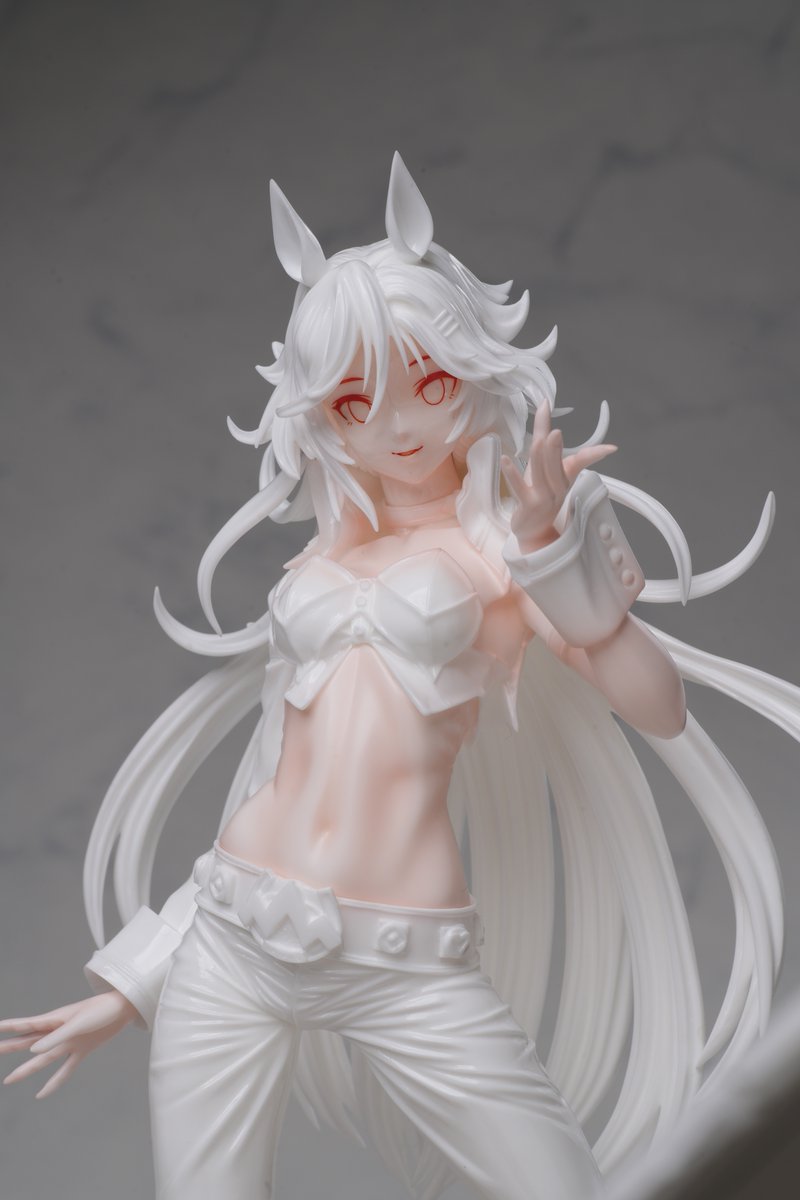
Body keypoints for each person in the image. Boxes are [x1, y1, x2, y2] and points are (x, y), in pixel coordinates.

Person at [0, 154, 791, 1200]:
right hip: (231, 941)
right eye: (354, 399)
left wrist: (563, 566)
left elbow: (658, 706)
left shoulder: (504, 552)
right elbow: (271, 781)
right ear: (319, 414)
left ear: (471, 368)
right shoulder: (317, 562)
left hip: (405, 962)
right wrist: (142, 978)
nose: (399, 423)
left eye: (429, 381)